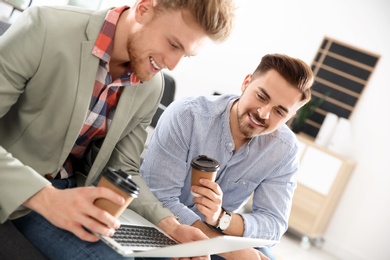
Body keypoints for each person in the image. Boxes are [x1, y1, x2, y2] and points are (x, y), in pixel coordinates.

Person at [0, 0, 236, 259]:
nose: (172, 64)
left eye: (186, 55)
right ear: (144, 9)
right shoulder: (46, 26)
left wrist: (173, 226)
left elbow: (123, 169)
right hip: (15, 191)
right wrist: (48, 198)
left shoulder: (150, 86)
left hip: (78, 194)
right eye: (173, 44)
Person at [140, 53, 314, 260]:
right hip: (160, 225)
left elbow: (273, 224)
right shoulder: (187, 116)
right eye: (261, 97)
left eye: (279, 111)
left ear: (290, 117)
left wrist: (222, 219)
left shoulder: (284, 150)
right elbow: (159, 199)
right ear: (246, 82)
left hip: (218, 231)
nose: (264, 113)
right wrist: (230, 250)